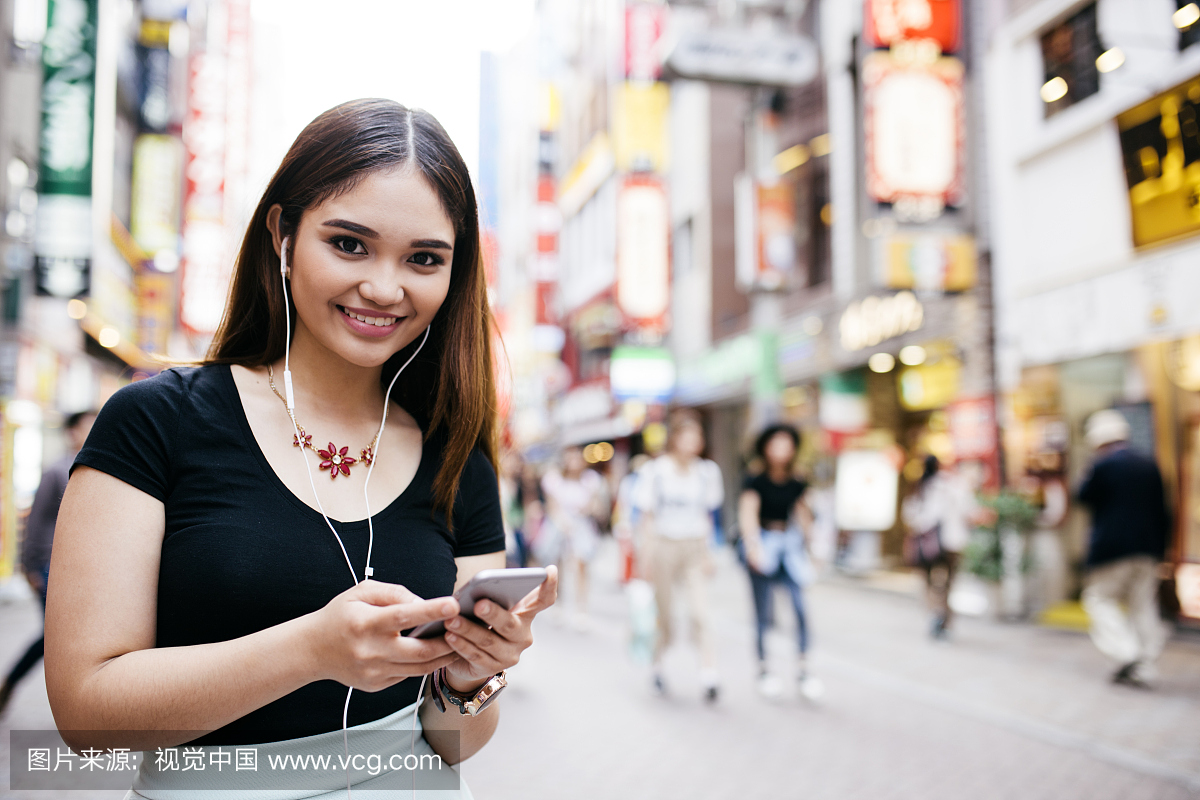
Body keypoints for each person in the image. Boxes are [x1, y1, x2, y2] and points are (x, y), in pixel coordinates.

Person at [44, 99, 558, 797]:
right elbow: (84, 712)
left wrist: (472, 672)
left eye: (424, 258)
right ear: (283, 234)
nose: (383, 286)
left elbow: (450, 742)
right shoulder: (158, 421)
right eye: (349, 243)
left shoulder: (457, 458)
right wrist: (311, 650)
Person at [0, 410, 95, 716]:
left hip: (79, 566)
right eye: (86, 425)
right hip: (49, 564)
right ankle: (13, 682)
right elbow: (38, 518)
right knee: (55, 635)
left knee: (62, 634)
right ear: (71, 432)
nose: (92, 430)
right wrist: (30, 566)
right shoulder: (57, 470)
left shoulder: (98, 467)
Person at [634, 409, 724, 702]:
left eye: (696, 437)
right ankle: (657, 664)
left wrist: (709, 553)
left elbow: (708, 515)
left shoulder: (708, 472)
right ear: (674, 439)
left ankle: (708, 672)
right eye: (686, 436)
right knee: (665, 613)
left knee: (700, 612)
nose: (691, 442)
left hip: (694, 546)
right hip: (663, 545)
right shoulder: (656, 471)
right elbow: (647, 517)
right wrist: (645, 556)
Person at [1078, 409, 1170, 688]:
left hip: (1112, 549)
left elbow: (1082, 496)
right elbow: (1163, 511)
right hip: (1148, 548)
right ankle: (1145, 663)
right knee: (1143, 605)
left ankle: (1126, 654)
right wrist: (1161, 550)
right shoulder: (1148, 463)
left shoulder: (1103, 465)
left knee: (1098, 599)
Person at [738, 424, 821, 699]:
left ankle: (804, 669)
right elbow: (748, 513)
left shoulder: (797, 480)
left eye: (787, 444)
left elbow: (803, 515)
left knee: (799, 608)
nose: (782, 450)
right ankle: (763, 669)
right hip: (763, 547)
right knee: (763, 613)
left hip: (789, 548)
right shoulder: (755, 479)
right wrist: (753, 547)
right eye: (776, 444)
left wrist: (813, 550)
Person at [902, 454, 978, 639]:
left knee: (929, 583)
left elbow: (913, 515)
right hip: (953, 543)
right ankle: (943, 618)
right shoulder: (956, 485)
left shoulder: (922, 487)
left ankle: (935, 615)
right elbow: (969, 512)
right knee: (948, 584)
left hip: (928, 543)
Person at [541, 446, 604, 629]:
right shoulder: (555, 480)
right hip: (559, 526)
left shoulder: (590, 480)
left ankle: (581, 608)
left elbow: (594, 504)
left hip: (581, 527)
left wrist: (586, 511)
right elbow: (552, 507)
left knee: (581, 565)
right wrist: (564, 523)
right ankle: (558, 602)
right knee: (557, 566)